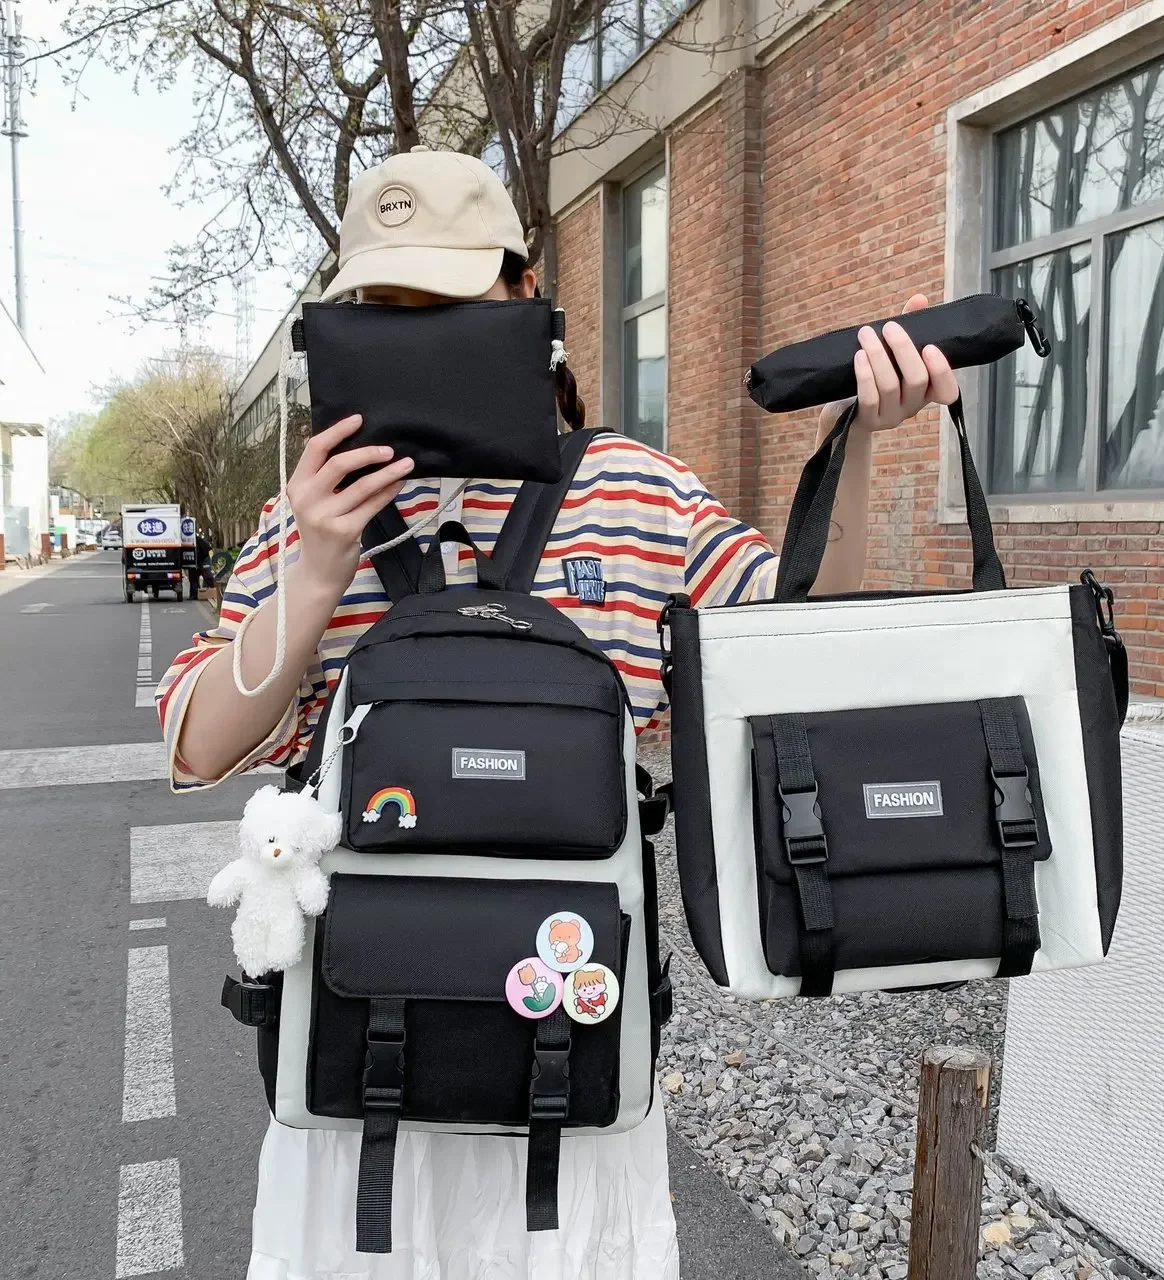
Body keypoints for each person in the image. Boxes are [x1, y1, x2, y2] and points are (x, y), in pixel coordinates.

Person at [156, 146, 959, 1280]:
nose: (417, 335)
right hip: (354, 1071)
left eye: (446, 303)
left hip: (570, 1044)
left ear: (523, 299)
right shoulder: (311, 511)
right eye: (381, 311)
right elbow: (195, 741)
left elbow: (795, 657)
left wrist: (865, 443)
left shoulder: (636, 490)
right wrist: (314, 568)